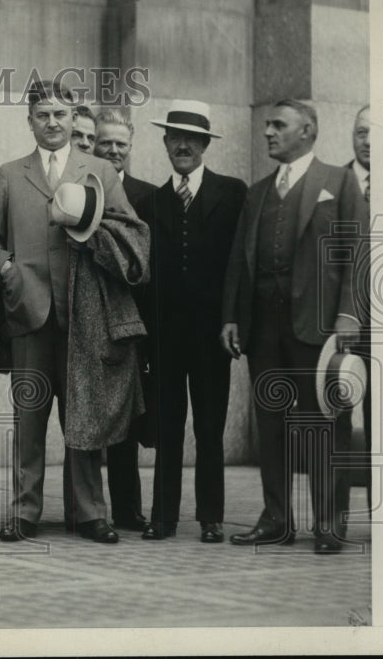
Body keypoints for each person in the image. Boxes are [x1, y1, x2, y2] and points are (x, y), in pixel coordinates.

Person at [0, 80, 144, 544]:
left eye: (60, 115)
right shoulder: (10, 174)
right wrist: (8, 269)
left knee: (83, 419)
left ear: (74, 120)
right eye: (43, 115)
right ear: (30, 121)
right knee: (27, 420)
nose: (52, 123)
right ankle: (24, 512)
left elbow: (131, 231)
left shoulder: (100, 171)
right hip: (28, 314)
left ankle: (89, 512)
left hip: (84, 317)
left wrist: (98, 238)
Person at [222, 99, 366, 554]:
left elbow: (357, 252)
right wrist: (230, 315)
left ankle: (328, 524)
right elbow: (240, 260)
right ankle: (277, 519)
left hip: (319, 328)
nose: (268, 132)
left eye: (278, 125)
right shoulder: (258, 191)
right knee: (272, 425)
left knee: (325, 425)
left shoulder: (339, 182)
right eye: (267, 125)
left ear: (308, 131)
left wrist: (349, 313)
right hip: (264, 327)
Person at [133, 101, 246, 543]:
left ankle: (211, 517)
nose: (183, 145)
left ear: (205, 145)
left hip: (212, 334)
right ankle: (162, 517)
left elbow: (240, 263)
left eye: (192, 139)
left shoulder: (233, 192)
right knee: (167, 425)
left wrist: (233, 320)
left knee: (210, 425)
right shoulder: (151, 201)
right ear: (164, 144)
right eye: (175, 138)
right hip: (164, 334)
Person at [92, 108, 155, 532]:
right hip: (89, 318)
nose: (113, 151)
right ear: (94, 145)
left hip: (134, 322)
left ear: (131, 148)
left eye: (121, 144)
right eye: (105, 143)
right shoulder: (81, 189)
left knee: (129, 423)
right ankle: (88, 509)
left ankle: (128, 508)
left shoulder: (148, 196)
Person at [347, 105, 372, 511]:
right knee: (334, 420)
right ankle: (333, 519)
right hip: (339, 321)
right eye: (361, 132)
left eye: (375, 133)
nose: (367, 141)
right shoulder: (333, 182)